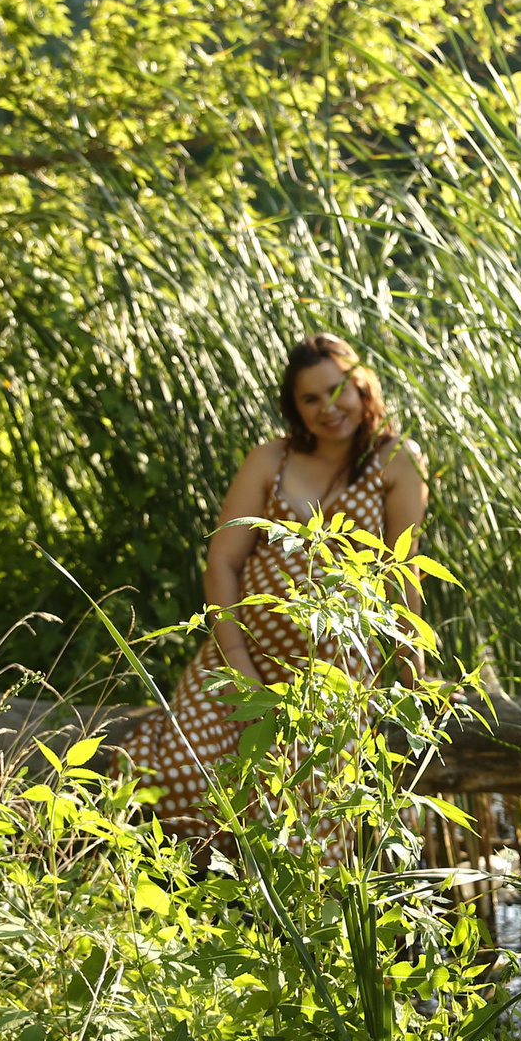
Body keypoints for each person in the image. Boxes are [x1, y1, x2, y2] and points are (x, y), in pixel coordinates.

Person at [119, 333, 428, 839]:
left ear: (363, 387)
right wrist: (240, 668)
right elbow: (222, 560)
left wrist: (410, 661)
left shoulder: (397, 460)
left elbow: (402, 568)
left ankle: (272, 916)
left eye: (338, 390)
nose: (329, 408)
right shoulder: (270, 459)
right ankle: (207, 901)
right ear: (294, 407)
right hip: (238, 656)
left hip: (334, 674)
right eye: (310, 398)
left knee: (305, 807)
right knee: (182, 777)